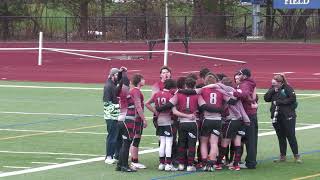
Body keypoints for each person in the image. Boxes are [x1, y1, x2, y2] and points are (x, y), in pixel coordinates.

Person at [264, 74, 301, 163]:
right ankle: (282, 156)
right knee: (280, 136)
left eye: (275, 83)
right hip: (276, 116)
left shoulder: (287, 88)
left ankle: (296, 156)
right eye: (273, 83)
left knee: (291, 136)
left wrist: (280, 102)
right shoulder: (273, 88)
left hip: (288, 116)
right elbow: (266, 98)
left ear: (280, 82)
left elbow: (293, 99)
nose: (273, 84)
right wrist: (273, 90)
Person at [145, 79, 178, 171]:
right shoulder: (171, 96)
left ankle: (161, 163)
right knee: (169, 143)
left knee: (162, 142)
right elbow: (174, 110)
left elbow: (147, 103)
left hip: (159, 121)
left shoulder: (157, 94)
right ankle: (168, 164)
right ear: (172, 88)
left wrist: (155, 111)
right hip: (168, 121)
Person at [231, 68, 258, 169]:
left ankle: (250, 163)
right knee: (249, 139)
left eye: (240, 74)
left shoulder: (245, 84)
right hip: (250, 114)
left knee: (248, 139)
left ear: (245, 76)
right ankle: (248, 161)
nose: (238, 76)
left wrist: (233, 93)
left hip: (248, 115)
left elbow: (244, 93)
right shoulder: (249, 83)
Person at [103, 67, 126, 164]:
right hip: (111, 116)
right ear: (113, 76)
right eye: (116, 75)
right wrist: (118, 106)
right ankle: (109, 156)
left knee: (117, 137)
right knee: (112, 136)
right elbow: (107, 103)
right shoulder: (108, 86)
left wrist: (121, 72)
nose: (118, 77)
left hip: (115, 115)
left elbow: (119, 81)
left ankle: (116, 155)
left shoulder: (112, 83)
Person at [129, 74, 148, 169]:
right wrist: (144, 119)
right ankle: (134, 161)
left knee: (133, 139)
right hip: (136, 119)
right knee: (136, 139)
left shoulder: (133, 91)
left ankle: (133, 160)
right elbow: (138, 106)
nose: (144, 80)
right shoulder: (136, 91)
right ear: (139, 81)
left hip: (132, 118)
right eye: (143, 79)